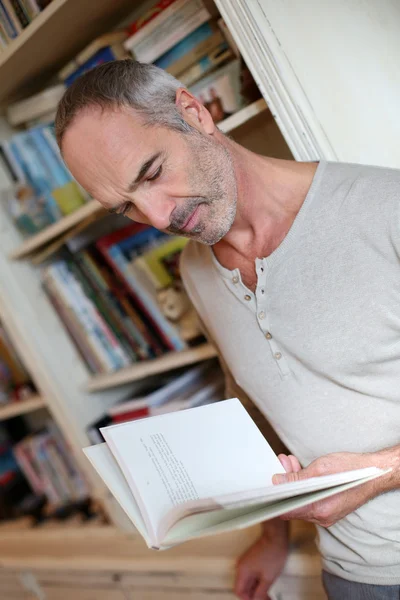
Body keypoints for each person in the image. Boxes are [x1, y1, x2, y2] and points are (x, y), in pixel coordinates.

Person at [54, 59, 400, 600]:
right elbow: (258, 401)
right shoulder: (194, 270)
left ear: (194, 113)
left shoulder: (387, 209)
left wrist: (377, 472)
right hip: (349, 576)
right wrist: (273, 534)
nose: (157, 215)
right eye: (125, 205)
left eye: (151, 173)